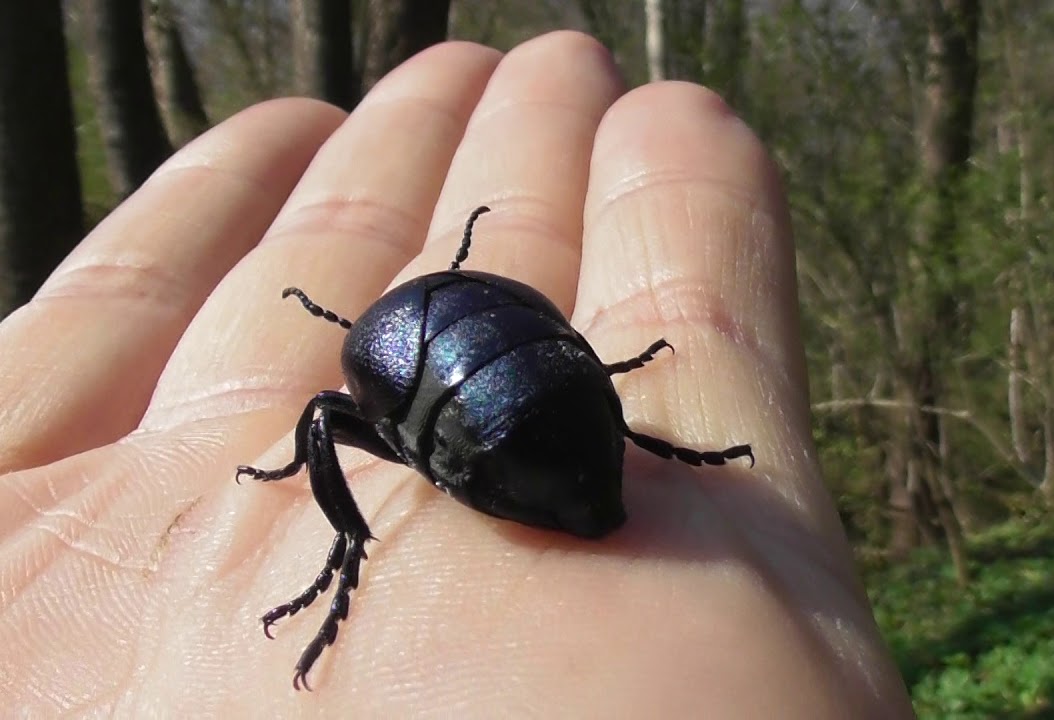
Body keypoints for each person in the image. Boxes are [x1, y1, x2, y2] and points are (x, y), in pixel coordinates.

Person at [0, 32, 914, 717]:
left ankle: (350, 548)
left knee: (322, 414)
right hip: (553, 420)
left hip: (515, 433)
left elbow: (518, 358)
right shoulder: (480, 290)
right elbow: (555, 342)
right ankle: (417, 521)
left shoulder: (376, 345)